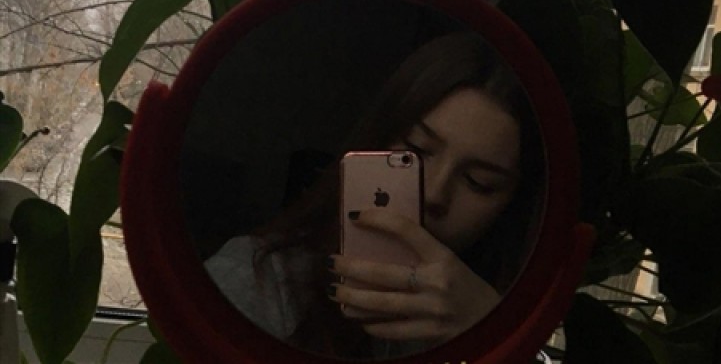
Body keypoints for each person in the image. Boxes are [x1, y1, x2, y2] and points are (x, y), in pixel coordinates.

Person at [205, 32, 545, 359]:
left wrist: (496, 339)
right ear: (377, 141)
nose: (433, 193)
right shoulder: (260, 280)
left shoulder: (501, 314)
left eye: (478, 182)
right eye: (415, 151)